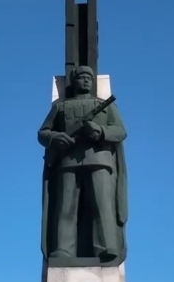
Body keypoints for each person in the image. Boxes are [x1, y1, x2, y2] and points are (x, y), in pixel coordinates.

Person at [38, 66, 128, 262]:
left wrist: (101, 132)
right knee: (66, 207)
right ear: (74, 81)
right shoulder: (60, 107)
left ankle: (106, 247)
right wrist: (55, 137)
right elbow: (43, 133)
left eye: (89, 78)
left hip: (99, 160)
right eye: (82, 78)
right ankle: (64, 249)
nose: (86, 81)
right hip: (67, 161)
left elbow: (120, 131)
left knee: (102, 205)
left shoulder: (105, 105)